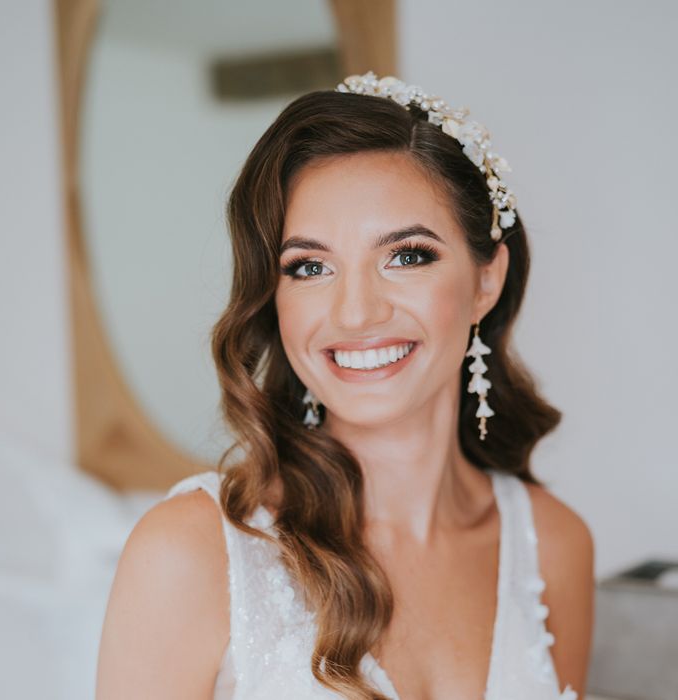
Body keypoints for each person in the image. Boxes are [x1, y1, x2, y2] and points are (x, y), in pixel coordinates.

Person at [95, 71, 594, 700]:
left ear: (486, 280)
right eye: (310, 267)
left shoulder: (553, 544)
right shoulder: (192, 552)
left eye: (407, 255)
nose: (356, 313)